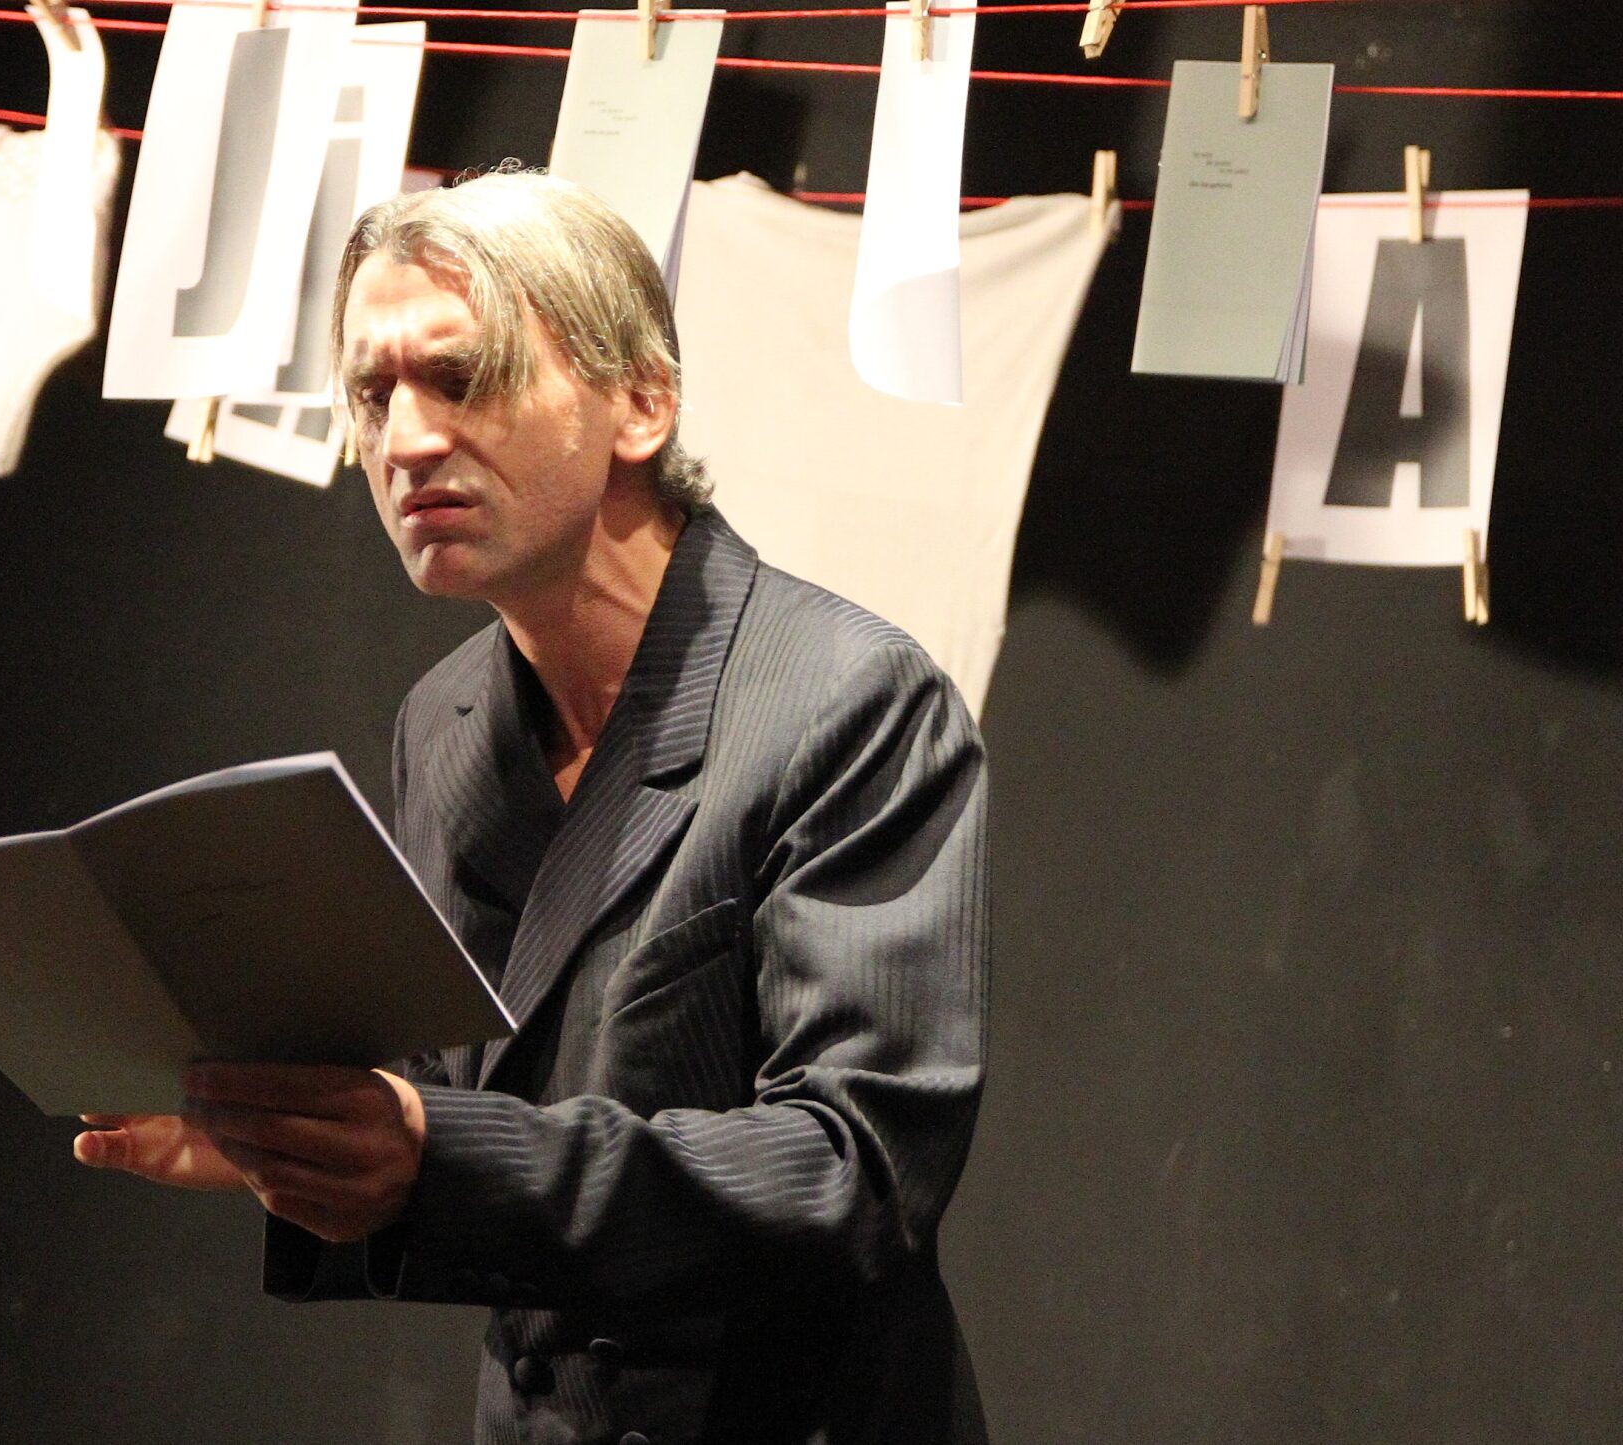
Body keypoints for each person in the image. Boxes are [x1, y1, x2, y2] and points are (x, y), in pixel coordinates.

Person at [74, 168, 990, 1445]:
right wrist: (288, 1137)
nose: (403, 440)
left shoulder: (845, 697)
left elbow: (856, 1170)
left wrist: (430, 1154)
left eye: (462, 378)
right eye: (373, 394)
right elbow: (448, 1088)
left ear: (642, 401)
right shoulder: (447, 721)